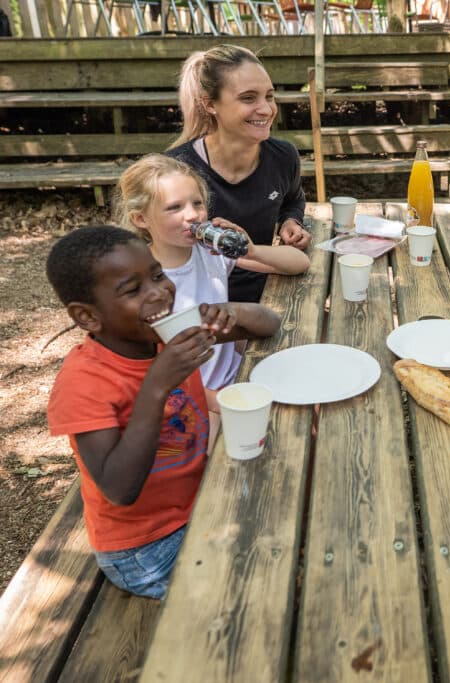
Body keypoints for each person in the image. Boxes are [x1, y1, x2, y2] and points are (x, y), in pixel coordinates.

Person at [45, 225, 282, 599]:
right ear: (88, 317)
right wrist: (157, 385)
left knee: (292, 501)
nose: (159, 292)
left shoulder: (168, 333)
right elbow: (119, 489)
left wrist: (228, 311)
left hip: (197, 499)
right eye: (132, 289)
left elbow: (270, 325)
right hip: (146, 548)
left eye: (157, 275)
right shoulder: (84, 384)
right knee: (267, 581)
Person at [114, 153, 308, 444]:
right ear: (141, 219)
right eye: (174, 208)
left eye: (197, 203)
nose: (192, 215)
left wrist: (250, 251)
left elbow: (298, 263)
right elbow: (144, 373)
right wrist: (216, 402)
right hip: (191, 401)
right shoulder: (141, 287)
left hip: (237, 377)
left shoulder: (209, 252)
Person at [167, 44, 311, 304]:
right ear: (210, 105)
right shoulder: (177, 170)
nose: (266, 109)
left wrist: (291, 221)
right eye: (248, 98)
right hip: (203, 304)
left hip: (275, 287)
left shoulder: (283, 156)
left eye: (269, 96)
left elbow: (293, 199)